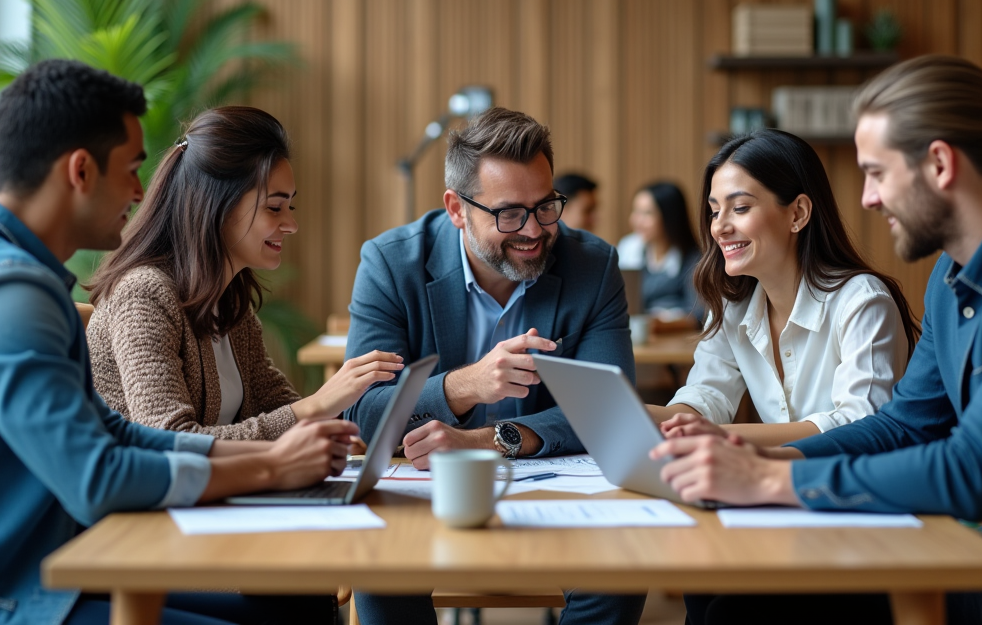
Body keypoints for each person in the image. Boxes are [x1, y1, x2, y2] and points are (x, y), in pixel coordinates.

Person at [654, 55, 982, 625]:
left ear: (938, 164)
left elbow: (973, 471)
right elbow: (904, 426)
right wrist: (762, 458)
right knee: (734, 602)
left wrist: (770, 477)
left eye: (877, 173)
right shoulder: (952, 275)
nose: (867, 199)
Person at [0, 60, 357, 625]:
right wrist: (270, 468)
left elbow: (113, 433)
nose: (141, 189)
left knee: (297, 605)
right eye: (131, 169)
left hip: (53, 566)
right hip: (3, 594)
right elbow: (97, 477)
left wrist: (274, 456)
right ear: (80, 171)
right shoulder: (6, 293)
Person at [345, 107, 645, 625]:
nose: (534, 230)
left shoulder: (592, 266)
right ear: (457, 209)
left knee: (618, 577)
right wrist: (465, 387)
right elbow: (361, 414)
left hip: (553, 486)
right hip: (423, 490)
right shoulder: (391, 264)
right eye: (509, 213)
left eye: (546, 206)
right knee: (383, 575)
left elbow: (612, 413)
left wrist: (490, 438)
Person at [87, 105, 402, 439]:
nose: (292, 224)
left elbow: (273, 403)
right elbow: (170, 443)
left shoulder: (230, 304)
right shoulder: (142, 294)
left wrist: (331, 431)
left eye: (289, 207)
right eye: (274, 207)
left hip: (216, 490)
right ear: (217, 205)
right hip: (142, 492)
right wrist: (314, 408)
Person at [649, 130, 918, 448]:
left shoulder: (862, 301)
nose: (719, 226)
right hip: (776, 487)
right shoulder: (733, 305)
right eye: (714, 210)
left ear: (798, 213)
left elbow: (860, 426)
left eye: (740, 208)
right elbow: (704, 399)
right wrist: (631, 413)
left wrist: (721, 435)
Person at [616, 181, 703, 326]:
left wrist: (661, 325)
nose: (637, 221)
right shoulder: (629, 248)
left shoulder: (694, 259)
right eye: (636, 212)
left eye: (647, 213)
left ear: (670, 217)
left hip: (679, 341)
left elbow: (699, 315)